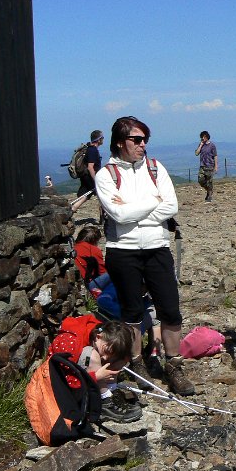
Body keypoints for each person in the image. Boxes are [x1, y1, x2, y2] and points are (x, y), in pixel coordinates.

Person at [95, 116, 195, 396]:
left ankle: (173, 365)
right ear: (120, 142)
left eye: (145, 140)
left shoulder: (155, 167)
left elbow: (171, 206)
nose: (143, 145)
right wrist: (153, 202)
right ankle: (136, 363)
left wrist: (133, 210)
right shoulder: (105, 175)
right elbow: (118, 215)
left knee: (170, 309)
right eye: (137, 140)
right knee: (132, 312)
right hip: (122, 251)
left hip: (157, 248)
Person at [48, 316, 140, 423]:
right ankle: (105, 403)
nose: (105, 358)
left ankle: (112, 394)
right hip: (64, 389)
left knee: (120, 357)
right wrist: (96, 377)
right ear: (98, 336)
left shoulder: (103, 334)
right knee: (91, 354)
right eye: (106, 350)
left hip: (83, 382)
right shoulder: (70, 341)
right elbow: (66, 381)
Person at [73, 226, 112, 294]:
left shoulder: (73, 247)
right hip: (87, 284)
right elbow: (102, 272)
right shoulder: (94, 250)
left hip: (76, 283)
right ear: (95, 240)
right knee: (115, 273)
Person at [78, 130, 104, 197]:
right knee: (99, 192)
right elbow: (90, 167)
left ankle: (75, 204)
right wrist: (95, 180)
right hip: (89, 176)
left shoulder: (90, 148)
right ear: (98, 140)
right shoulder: (93, 150)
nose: (103, 139)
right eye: (102, 138)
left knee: (86, 194)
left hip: (86, 175)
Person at [195, 130, 218, 202]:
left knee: (209, 182)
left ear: (207, 137)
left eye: (203, 137)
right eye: (201, 137)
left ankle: (210, 195)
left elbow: (215, 156)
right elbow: (196, 153)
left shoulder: (212, 145)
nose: (202, 138)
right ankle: (208, 190)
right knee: (201, 180)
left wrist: (216, 166)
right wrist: (201, 145)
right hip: (202, 166)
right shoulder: (201, 145)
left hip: (210, 166)